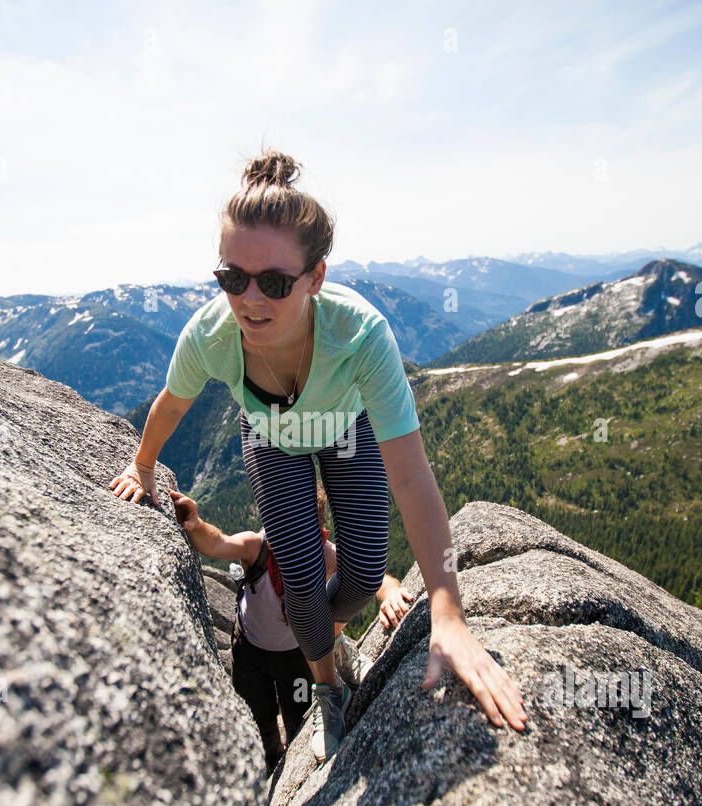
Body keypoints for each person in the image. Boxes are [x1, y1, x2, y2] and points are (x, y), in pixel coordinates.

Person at [109, 147, 527, 761]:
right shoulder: (211, 336)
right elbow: (172, 405)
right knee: (300, 587)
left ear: (317, 277)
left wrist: (449, 612)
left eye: (275, 282)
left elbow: (411, 477)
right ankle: (327, 685)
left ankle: (326, 640)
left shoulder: (359, 335)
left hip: (346, 431)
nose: (250, 299)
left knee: (361, 573)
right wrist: (142, 466)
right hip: (271, 442)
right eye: (232, 277)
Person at [169, 482, 411, 769]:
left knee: (297, 717)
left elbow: (372, 577)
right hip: (250, 654)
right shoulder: (256, 547)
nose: (288, 533)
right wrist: (195, 524)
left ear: (316, 524)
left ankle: (334, 654)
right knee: (258, 719)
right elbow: (217, 543)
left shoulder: (324, 554)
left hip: (298, 656)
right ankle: (271, 761)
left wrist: (392, 593)